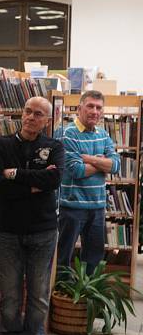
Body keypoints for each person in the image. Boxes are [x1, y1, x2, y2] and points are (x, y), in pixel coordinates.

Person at [0, 96, 64, 335]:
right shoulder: (1, 145)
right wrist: (33, 183)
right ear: (22, 113)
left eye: (39, 114)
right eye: (28, 112)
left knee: (39, 293)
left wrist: (15, 175)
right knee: (9, 293)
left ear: (47, 120)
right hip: (9, 230)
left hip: (43, 231)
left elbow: (54, 180)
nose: (32, 117)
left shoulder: (54, 146)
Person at [57, 90, 120, 276]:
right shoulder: (67, 134)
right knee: (64, 256)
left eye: (99, 107)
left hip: (97, 206)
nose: (94, 111)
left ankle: (86, 299)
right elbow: (76, 170)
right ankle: (63, 299)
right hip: (72, 206)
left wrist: (87, 159)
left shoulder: (103, 134)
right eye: (90, 106)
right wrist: (102, 162)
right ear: (79, 108)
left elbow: (115, 165)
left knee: (94, 257)